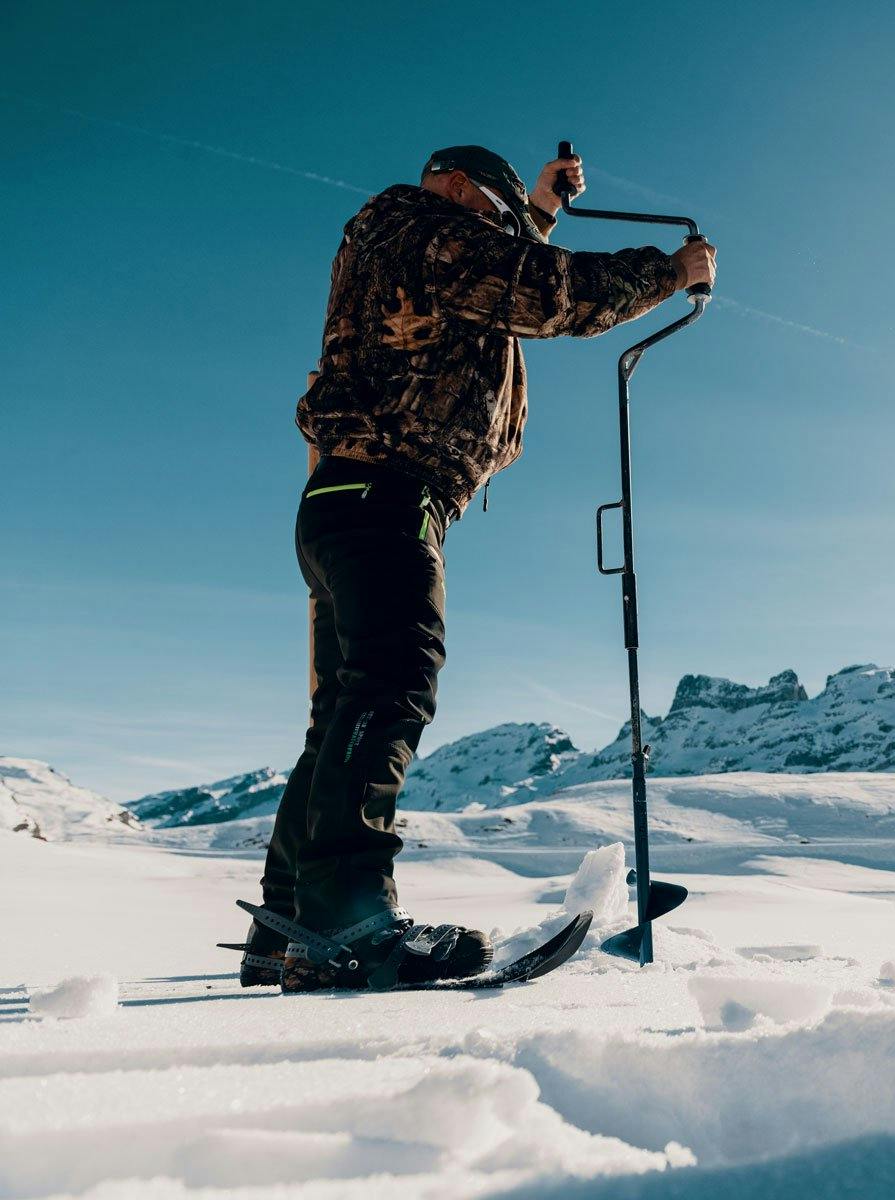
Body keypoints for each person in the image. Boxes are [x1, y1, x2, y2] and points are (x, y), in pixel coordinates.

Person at [238, 145, 717, 991]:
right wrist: (668, 271)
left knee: (345, 708)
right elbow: (542, 290)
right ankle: (348, 922)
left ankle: (289, 928)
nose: (504, 232)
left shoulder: (412, 243)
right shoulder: (426, 230)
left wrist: (537, 206)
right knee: (393, 676)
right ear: (457, 188)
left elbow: (503, 266)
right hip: (386, 494)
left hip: (348, 497)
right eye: (496, 214)